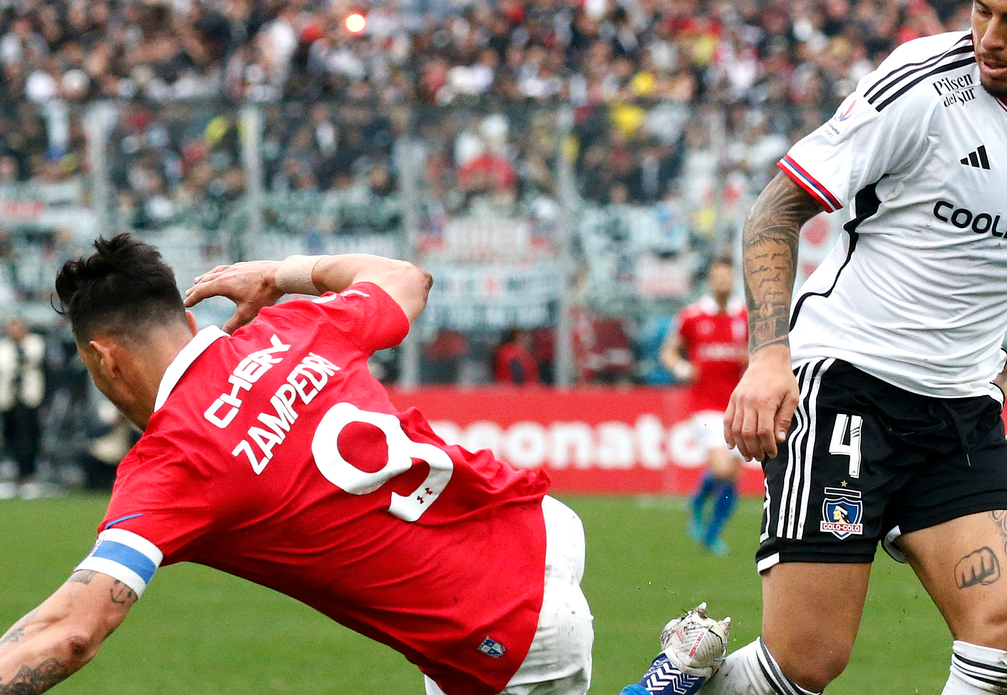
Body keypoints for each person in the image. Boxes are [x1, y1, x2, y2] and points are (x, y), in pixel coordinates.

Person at [636, 0, 1007, 695]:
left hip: (964, 405)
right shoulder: (923, 88)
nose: (991, 36)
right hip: (847, 384)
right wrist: (769, 355)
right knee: (806, 662)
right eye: (981, 10)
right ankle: (677, 682)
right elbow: (775, 209)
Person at [0, 235, 593, 695]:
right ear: (184, 321)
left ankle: (671, 674)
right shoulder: (293, 326)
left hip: (502, 623)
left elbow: (72, 630)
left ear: (104, 359)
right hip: (534, 521)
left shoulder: (171, 464)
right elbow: (407, 278)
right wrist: (279, 274)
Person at [659, 256, 748, 555]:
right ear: (710, 280)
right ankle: (698, 502)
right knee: (722, 469)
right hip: (706, 404)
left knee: (734, 476)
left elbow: (756, 354)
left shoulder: (745, 317)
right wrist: (682, 369)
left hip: (737, 405)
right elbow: (669, 351)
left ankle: (712, 533)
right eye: (717, 277)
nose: (722, 282)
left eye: (727, 277)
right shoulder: (692, 316)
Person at [0, 317, 47, 500]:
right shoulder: (4, 347)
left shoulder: (34, 343)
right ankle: (17, 475)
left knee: (28, 437)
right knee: (10, 437)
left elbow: (30, 358)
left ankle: (29, 476)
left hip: (28, 399)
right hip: (8, 400)